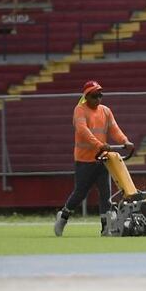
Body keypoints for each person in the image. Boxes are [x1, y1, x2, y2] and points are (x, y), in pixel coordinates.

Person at [54, 80, 134, 237]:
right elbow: (83, 131)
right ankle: (63, 217)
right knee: (80, 193)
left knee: (106, 195)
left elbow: (114, 129)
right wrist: (100, 145)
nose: (98, 99)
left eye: (100, 95)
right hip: (84, 161)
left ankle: (106, 228)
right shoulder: (80, 110)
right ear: (87, 96)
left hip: (102, 159)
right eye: (95, 96)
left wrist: (125, 141)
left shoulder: (105, 111)